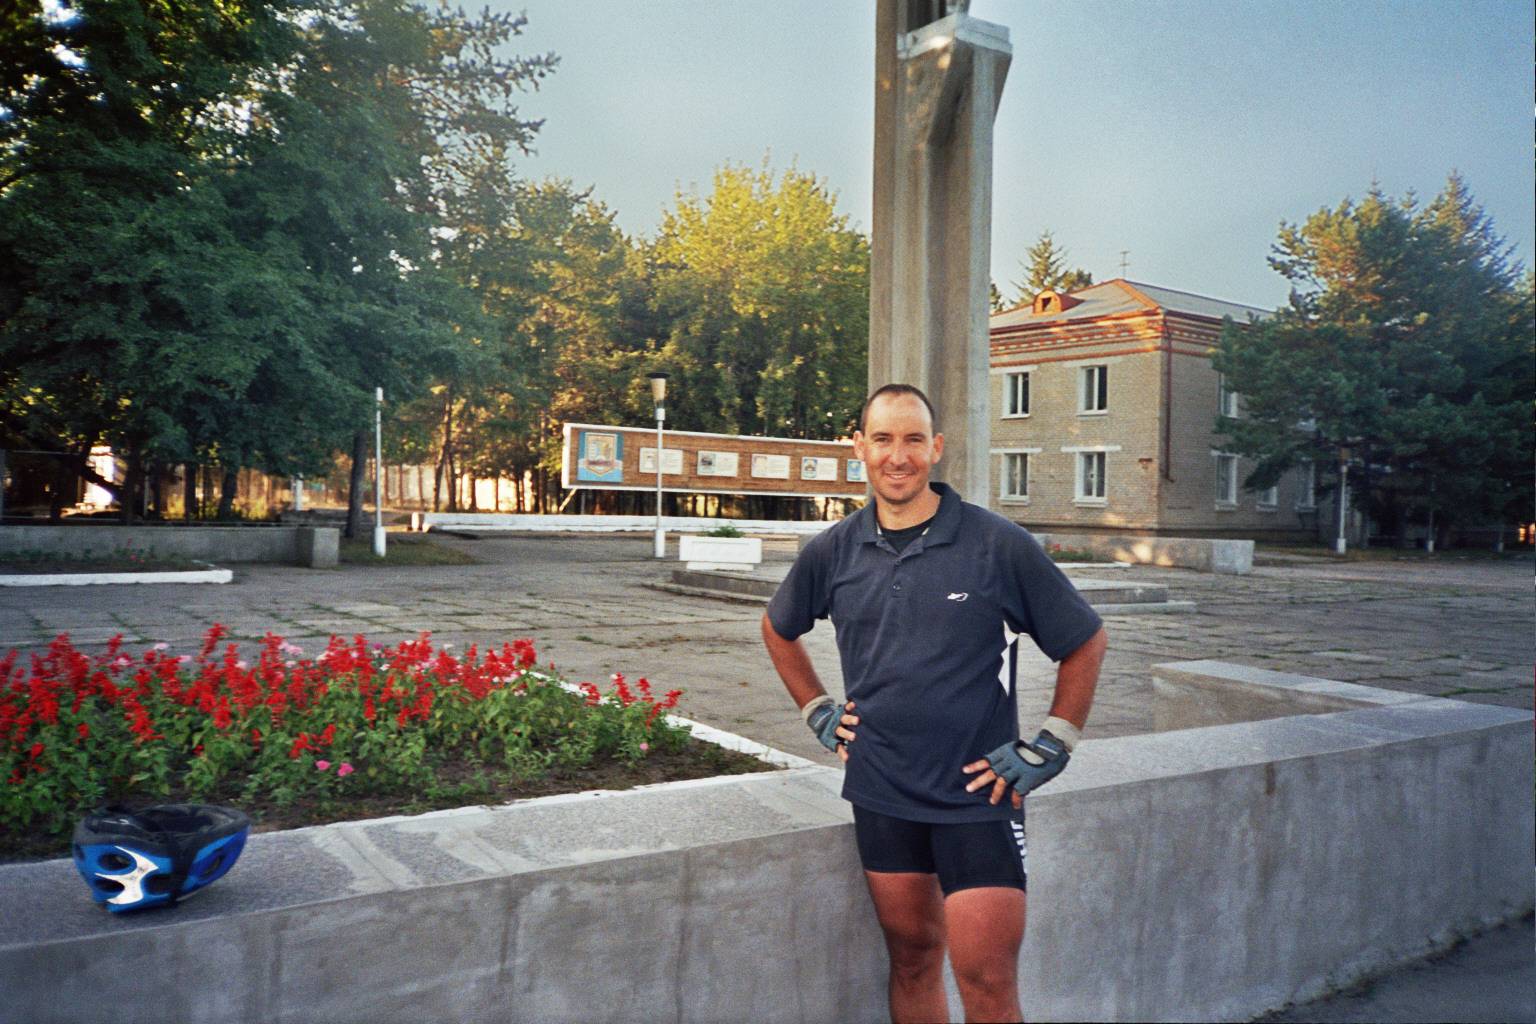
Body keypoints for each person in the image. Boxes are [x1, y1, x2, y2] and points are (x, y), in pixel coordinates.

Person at [761, 383, 1107, 1023]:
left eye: (913, 440)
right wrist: (817, 710)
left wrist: (1054, 743)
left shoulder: (995, 543)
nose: (898, 456)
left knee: (987, 981)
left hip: (978, 796)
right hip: (881, 790)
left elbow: (1084, 640)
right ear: (859, 447)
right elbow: (778, 628)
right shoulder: (834, 549)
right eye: (883, 439)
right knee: (914, 959)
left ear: (937, 448)